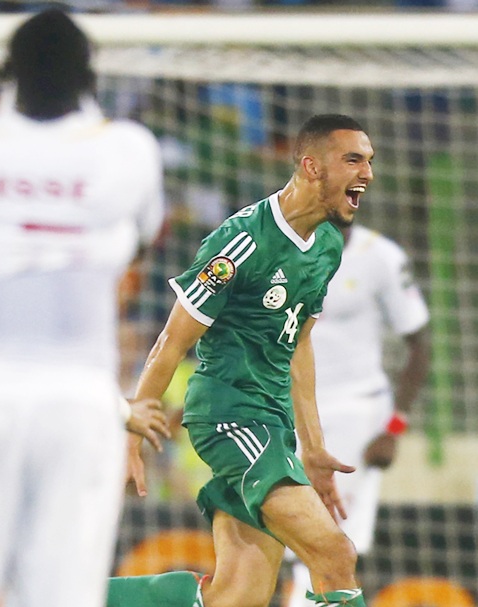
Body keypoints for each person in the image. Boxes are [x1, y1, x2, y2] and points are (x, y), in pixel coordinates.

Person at [0, 9, 168, 607]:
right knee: (62, 594)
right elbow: (148, 233)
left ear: (7, 73)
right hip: (79, 403)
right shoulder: (126, 152)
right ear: (89, 78)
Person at [108, 114, 375, 607]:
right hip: (229, 415)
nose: (368, 174)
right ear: (312, 167)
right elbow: (171, 339)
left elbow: (299, 343)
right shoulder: (241, 242)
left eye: (370, 161)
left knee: (238, 597)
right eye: (354, 160)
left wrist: (314, 447)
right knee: (334, 553)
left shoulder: (328, 246)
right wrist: (134, 429)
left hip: (273, 424)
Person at [285, 223, 430, 607]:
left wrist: (394, 427)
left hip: (357, 411)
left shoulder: (381, 257)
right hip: (293, 408)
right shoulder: (279, 249)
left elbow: (420, 346)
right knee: (289, 536)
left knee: (329, 538)